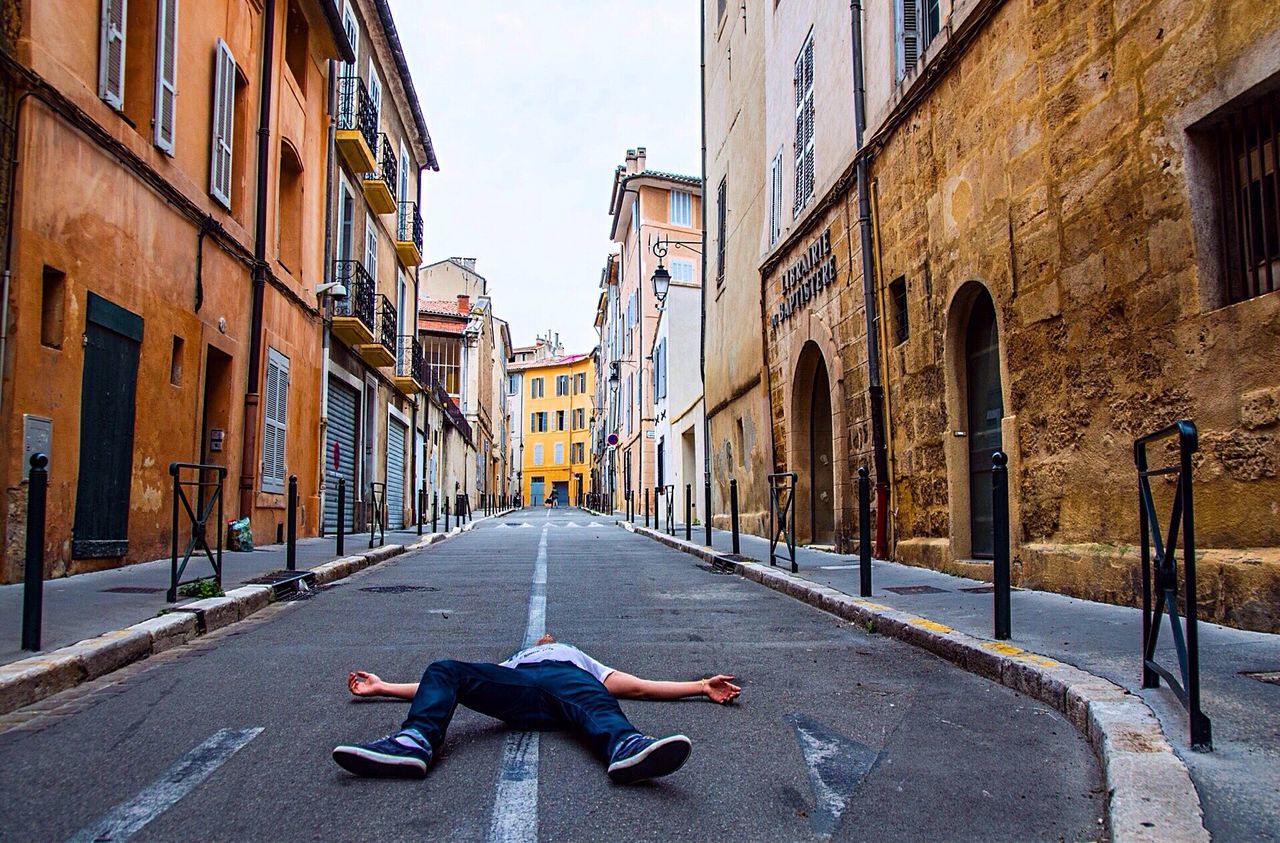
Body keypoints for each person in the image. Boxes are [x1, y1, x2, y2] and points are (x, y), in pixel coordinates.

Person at [332, 634, 740, 785]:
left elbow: (639, 688)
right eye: (541, 639)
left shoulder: (578, 658)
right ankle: (413, 743)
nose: (544, 636)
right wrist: (383, 687)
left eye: (548, 636)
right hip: (519, 689)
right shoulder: (514, 661)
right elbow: (440, 687)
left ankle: (626, 748)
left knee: (599, 699)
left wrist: (701, 686)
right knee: (444, 669)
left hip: (570, 684)